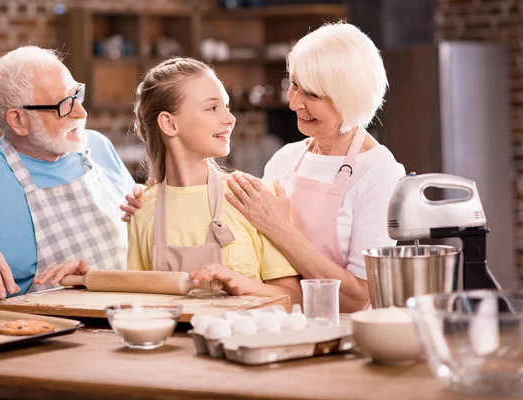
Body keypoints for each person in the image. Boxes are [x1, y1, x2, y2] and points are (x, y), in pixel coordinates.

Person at [122, 23, 405, 312]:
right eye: (293, 85)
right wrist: (151, 198)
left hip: (343, 329)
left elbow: (357, 299)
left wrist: (281, 230)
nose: (294, 103)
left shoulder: (379, 173)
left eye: (312, 95)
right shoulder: (285, 160)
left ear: (349, 98)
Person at [0, 46, 135, 308]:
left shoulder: (98, 148)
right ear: (18, 120)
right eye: (64, 105)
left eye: (76, 95)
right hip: (51, 341)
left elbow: (140, 236)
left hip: (127, 321)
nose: (81, 112)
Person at [126, 58, 302, 304]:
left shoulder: (252, 196)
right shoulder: (141, 209)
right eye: (212, 108)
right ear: (169, 123)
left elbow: (294, 299)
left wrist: (241, 285)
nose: (230, 118)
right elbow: (138, 303)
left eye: (227, 106)